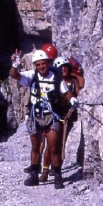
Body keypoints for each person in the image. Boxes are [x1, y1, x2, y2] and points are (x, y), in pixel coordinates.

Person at [9, 49, 76, 189]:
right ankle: (34, 174)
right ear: (35, 65)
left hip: (51, 115)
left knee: (54, 147)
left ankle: (57, 176)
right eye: (38, 64)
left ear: (48, 63)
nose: (41, 67)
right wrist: (15, 64)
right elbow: (14, 75)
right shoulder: (32, 75)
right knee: (35, 146)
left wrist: (73, 99)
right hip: (35, 115)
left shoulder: (56, 77)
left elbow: (66, 92)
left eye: (43, 64)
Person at [37, 56, 84, 181]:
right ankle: (46, 170)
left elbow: (80, 85)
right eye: (61, 67)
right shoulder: (54, 81)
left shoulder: (73, 82)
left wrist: (74, 73)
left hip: (67, 117)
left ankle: (55, 168)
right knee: (51, 145)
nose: (64, 69)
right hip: (54, 115)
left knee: (60, 144)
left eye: (66, 67)